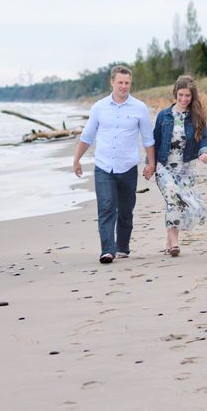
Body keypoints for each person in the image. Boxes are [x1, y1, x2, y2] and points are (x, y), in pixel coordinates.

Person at [73, 65, 155, 264]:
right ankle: (107, 250)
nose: (124, 86)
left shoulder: (139, 108)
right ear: (112, 82)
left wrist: (151, 164)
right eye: (120, 82)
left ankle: (123, 247)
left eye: (127, 83)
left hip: (127, 168)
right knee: (107, 207)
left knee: (126, 211)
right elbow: (87, 136)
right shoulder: (99, 107)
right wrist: (77, 159)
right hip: (104, 167)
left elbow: (148, 140)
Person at [153, 74, 207, 257]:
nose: (184, 99)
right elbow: (154, 141)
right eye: (181, 95)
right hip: (164, 167)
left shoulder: (196, 116)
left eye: (187, 95)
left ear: (192, 96)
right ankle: (176, 244)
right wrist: (150, 165)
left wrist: (204, 152)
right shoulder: (164, 116)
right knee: (172, 197)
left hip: (186, 169)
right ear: (175, 94)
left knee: (180, 204)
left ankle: (169, 241)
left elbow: (204, 138)